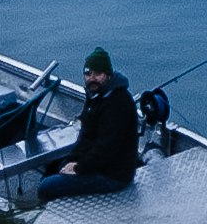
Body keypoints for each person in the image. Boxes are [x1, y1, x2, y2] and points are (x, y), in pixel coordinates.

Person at [42, 49, 140, 195]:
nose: (92, 78)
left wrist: (78, 168)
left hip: (114, 175)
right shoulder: (96, 96)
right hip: (97, 165)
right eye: (88, 74)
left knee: (47, 187)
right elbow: (86, 138)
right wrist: (70, 161)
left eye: (98, 74)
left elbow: (106, 149)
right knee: (53, 167)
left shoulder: (118, 103)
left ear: (108, 75)